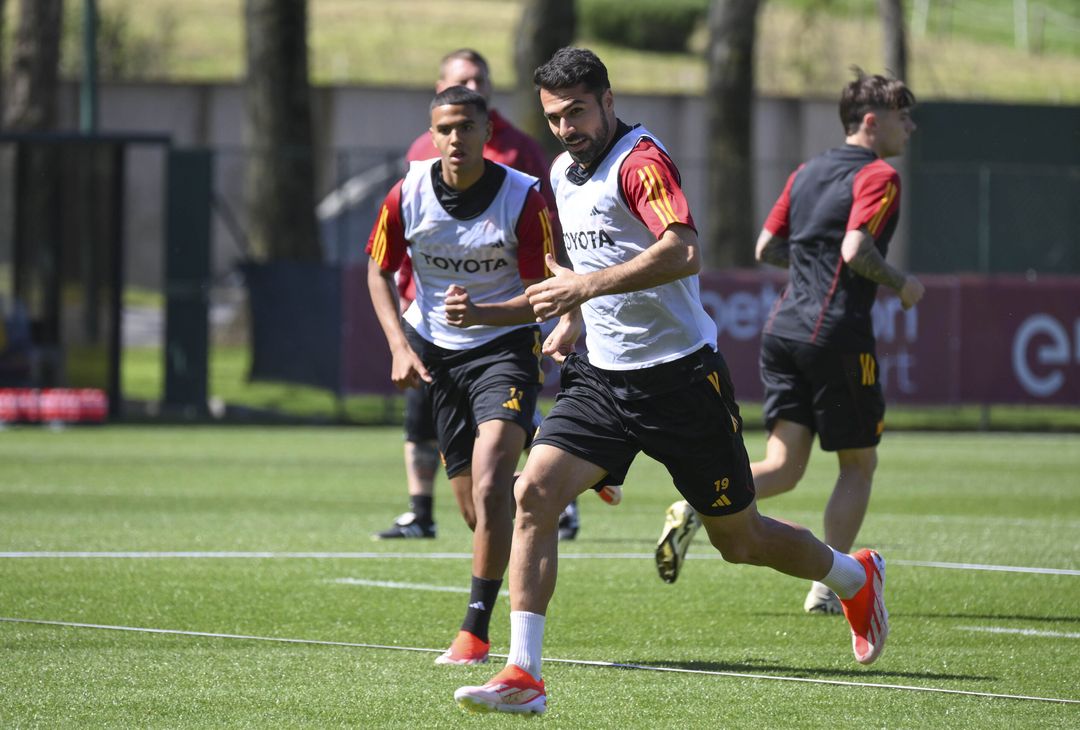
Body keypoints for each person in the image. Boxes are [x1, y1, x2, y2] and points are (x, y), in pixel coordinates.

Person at [454, 48, 891, 716]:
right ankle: (524, 674)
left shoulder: (640, 161)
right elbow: (581, 269)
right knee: (534, 493)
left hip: (683, 383)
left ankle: (855, 576)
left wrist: (584, 287)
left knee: (739, 542)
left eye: (577, 111)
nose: (567, 127)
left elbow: (682, 250)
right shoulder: (563, 175)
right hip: (602, 379)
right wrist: (571, 314)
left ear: (607, 98)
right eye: (553, 117)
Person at [654, 69, 924, 616]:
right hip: (838, 336)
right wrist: (902, 283)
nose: (911, 127)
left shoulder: (806, 171)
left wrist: (811, 269)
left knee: (785, 463)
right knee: (858, 465)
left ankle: (695, 505)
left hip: (783, 330)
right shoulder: (880, 176)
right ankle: (832, 585)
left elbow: (766, 246)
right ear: (872, 121)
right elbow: (854, 251)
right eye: (904, 116)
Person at [374, 48, 613, 541]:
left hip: (501, 327)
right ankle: (423, 509)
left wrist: (565, 306)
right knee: (448, 456)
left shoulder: (521, 157)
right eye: (464, 80)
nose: (455, 139)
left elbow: (545, 241)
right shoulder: (417, 163)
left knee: (496, 454)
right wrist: (402, 333)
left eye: (481, 79)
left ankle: (562, 474)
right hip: (432, 323)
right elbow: (391, 251)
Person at [366, 85, 552, 665]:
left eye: (466, 128)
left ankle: (475, 631)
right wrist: (399, 344)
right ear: (432, 133)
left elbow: (544, 294)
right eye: (445, 129)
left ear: (486, 133)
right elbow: (378, 271)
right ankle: (561, 446)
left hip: (504, 351)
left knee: (497, 485)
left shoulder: (523, 199)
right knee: (477, 513)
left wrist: (484, 314)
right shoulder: (407, 194)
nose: (455, 139)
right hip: (440, 357)